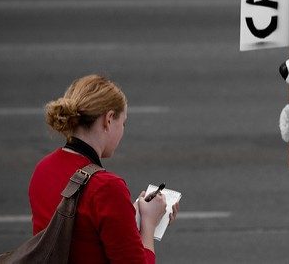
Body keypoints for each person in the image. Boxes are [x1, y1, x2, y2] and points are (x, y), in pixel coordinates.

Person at [29, 74, 179, 263]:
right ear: (108, 120)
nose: (123, 130)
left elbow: (81, 233)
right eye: (123, 123)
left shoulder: (43, 168)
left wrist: (130, 214)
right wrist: (148, 224)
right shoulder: (106, 187)